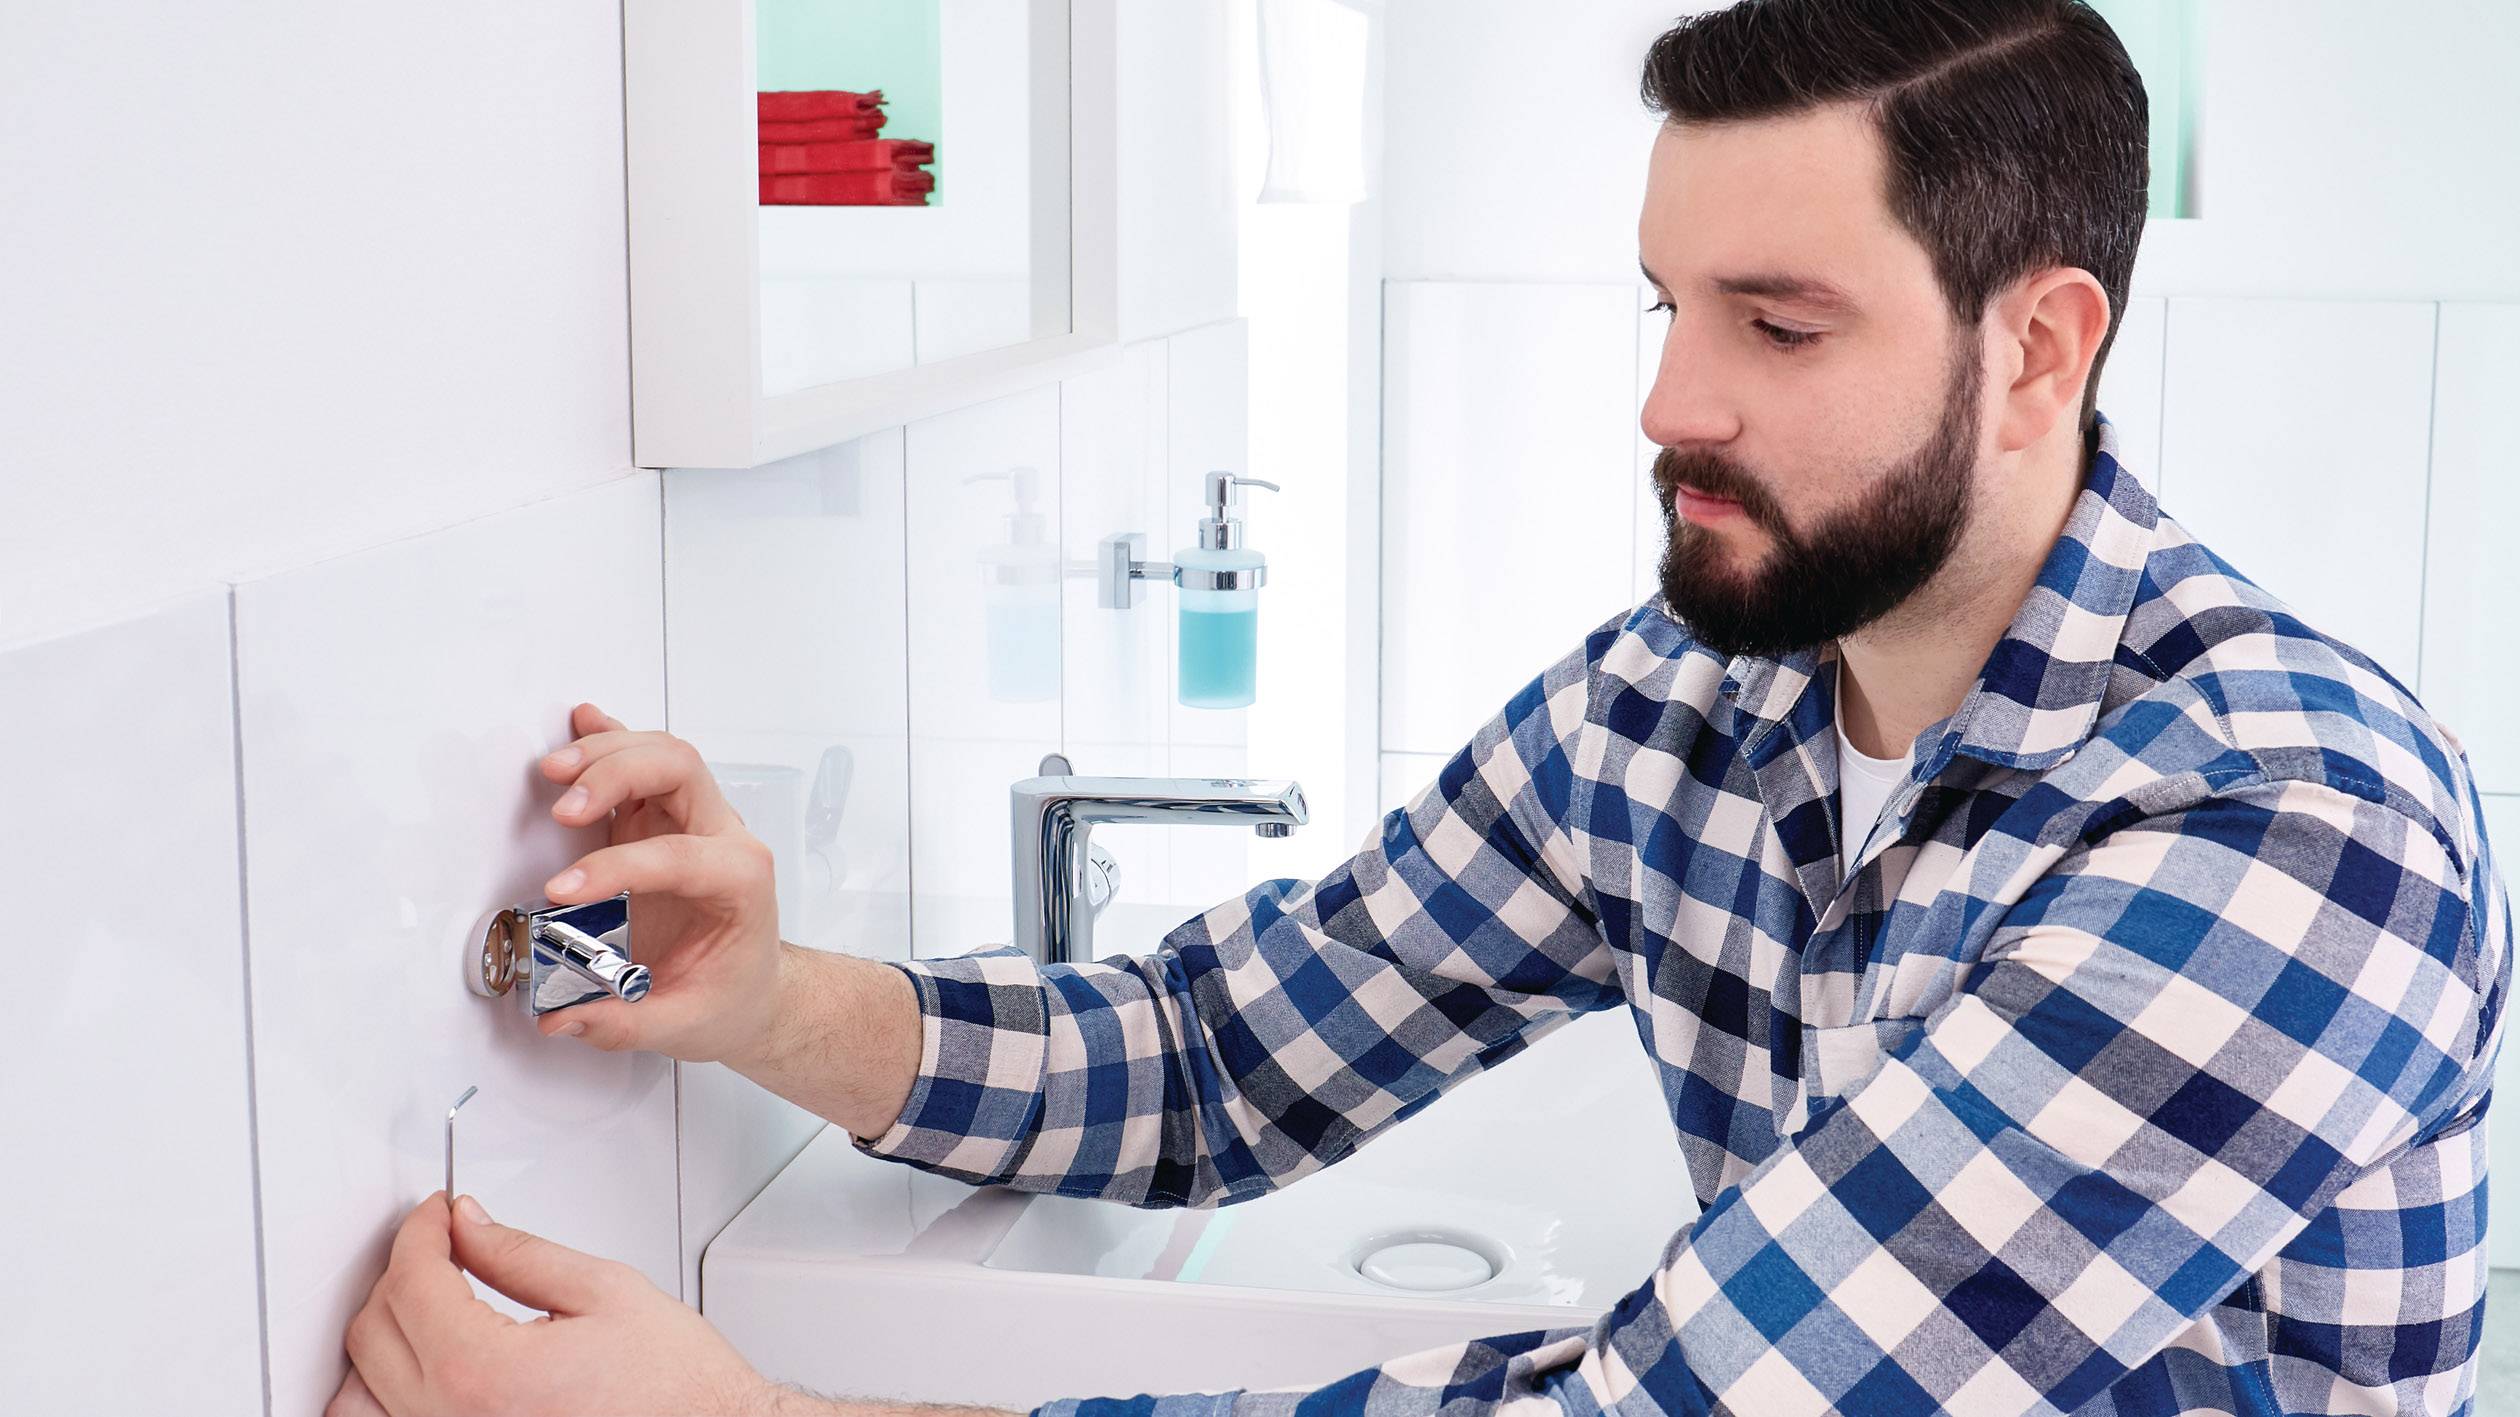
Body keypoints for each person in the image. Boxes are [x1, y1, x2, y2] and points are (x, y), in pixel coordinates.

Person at [330, 1, 2511, 1413]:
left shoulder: (2291, 837)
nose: (1669, 402)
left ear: (2036, 350)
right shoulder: (1693, 707)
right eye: (1666, 305)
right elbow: (1215, 1059)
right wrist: (764, 997)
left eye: (1777, 321)